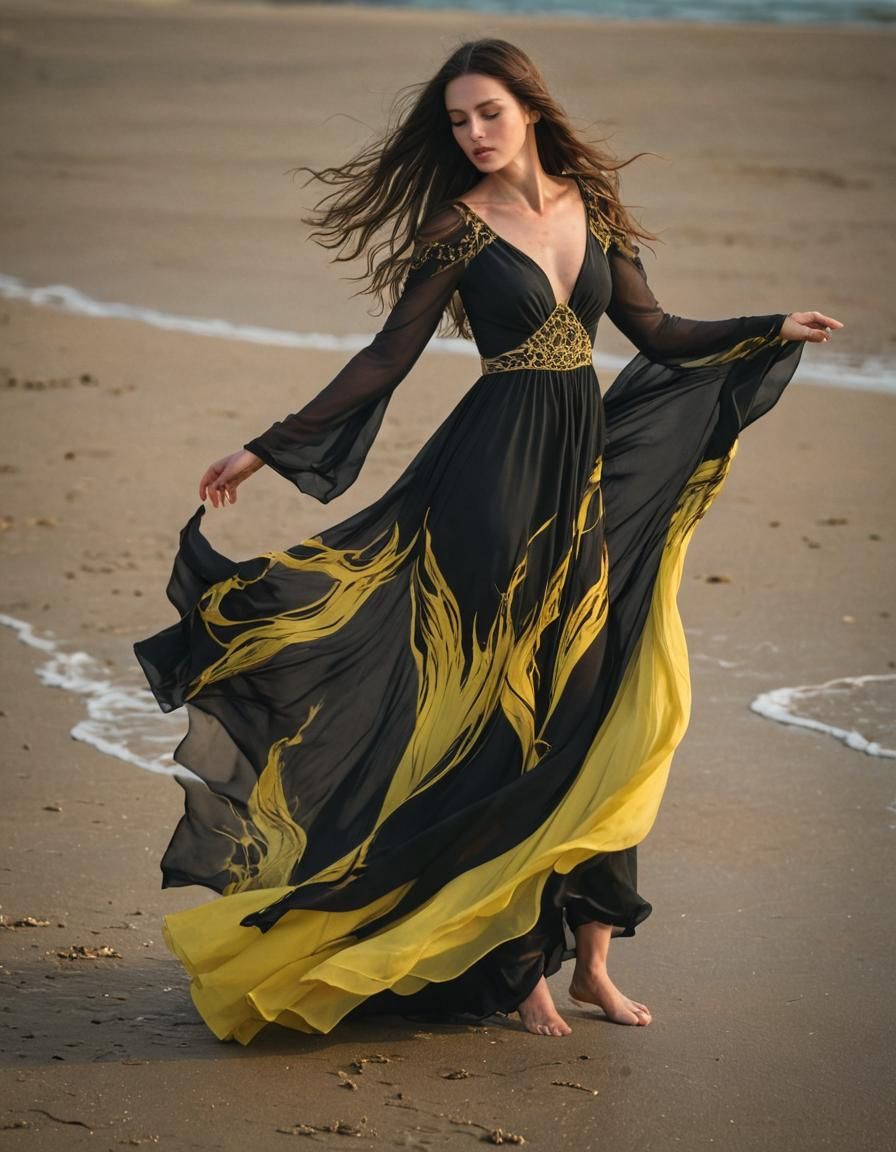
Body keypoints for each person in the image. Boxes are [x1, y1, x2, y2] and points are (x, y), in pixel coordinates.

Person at [134, 38, 841, 1043]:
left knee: (602, 705)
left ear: (530, 112)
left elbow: (656, 330)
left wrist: (771, 324)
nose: (470, 133)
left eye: (487, 114)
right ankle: (515, 968)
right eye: (457, 119)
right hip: (490, 487)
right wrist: (263, 448)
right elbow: (386, 358)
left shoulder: (590, 210)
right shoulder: (455, 232)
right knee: (510, 724)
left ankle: (591, 954)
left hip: (579, 481)